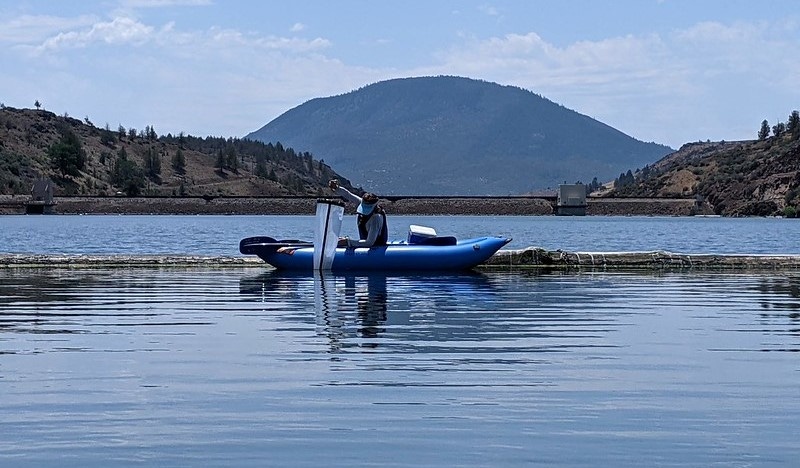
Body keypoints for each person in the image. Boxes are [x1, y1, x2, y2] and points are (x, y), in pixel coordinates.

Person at [328, 179, 388, 247]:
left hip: (376, 246)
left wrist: (347, 242)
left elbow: (369, 243)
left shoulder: (376, 218)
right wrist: (337, 188)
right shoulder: (362, 203)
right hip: (365, 243)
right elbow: (348, 195)